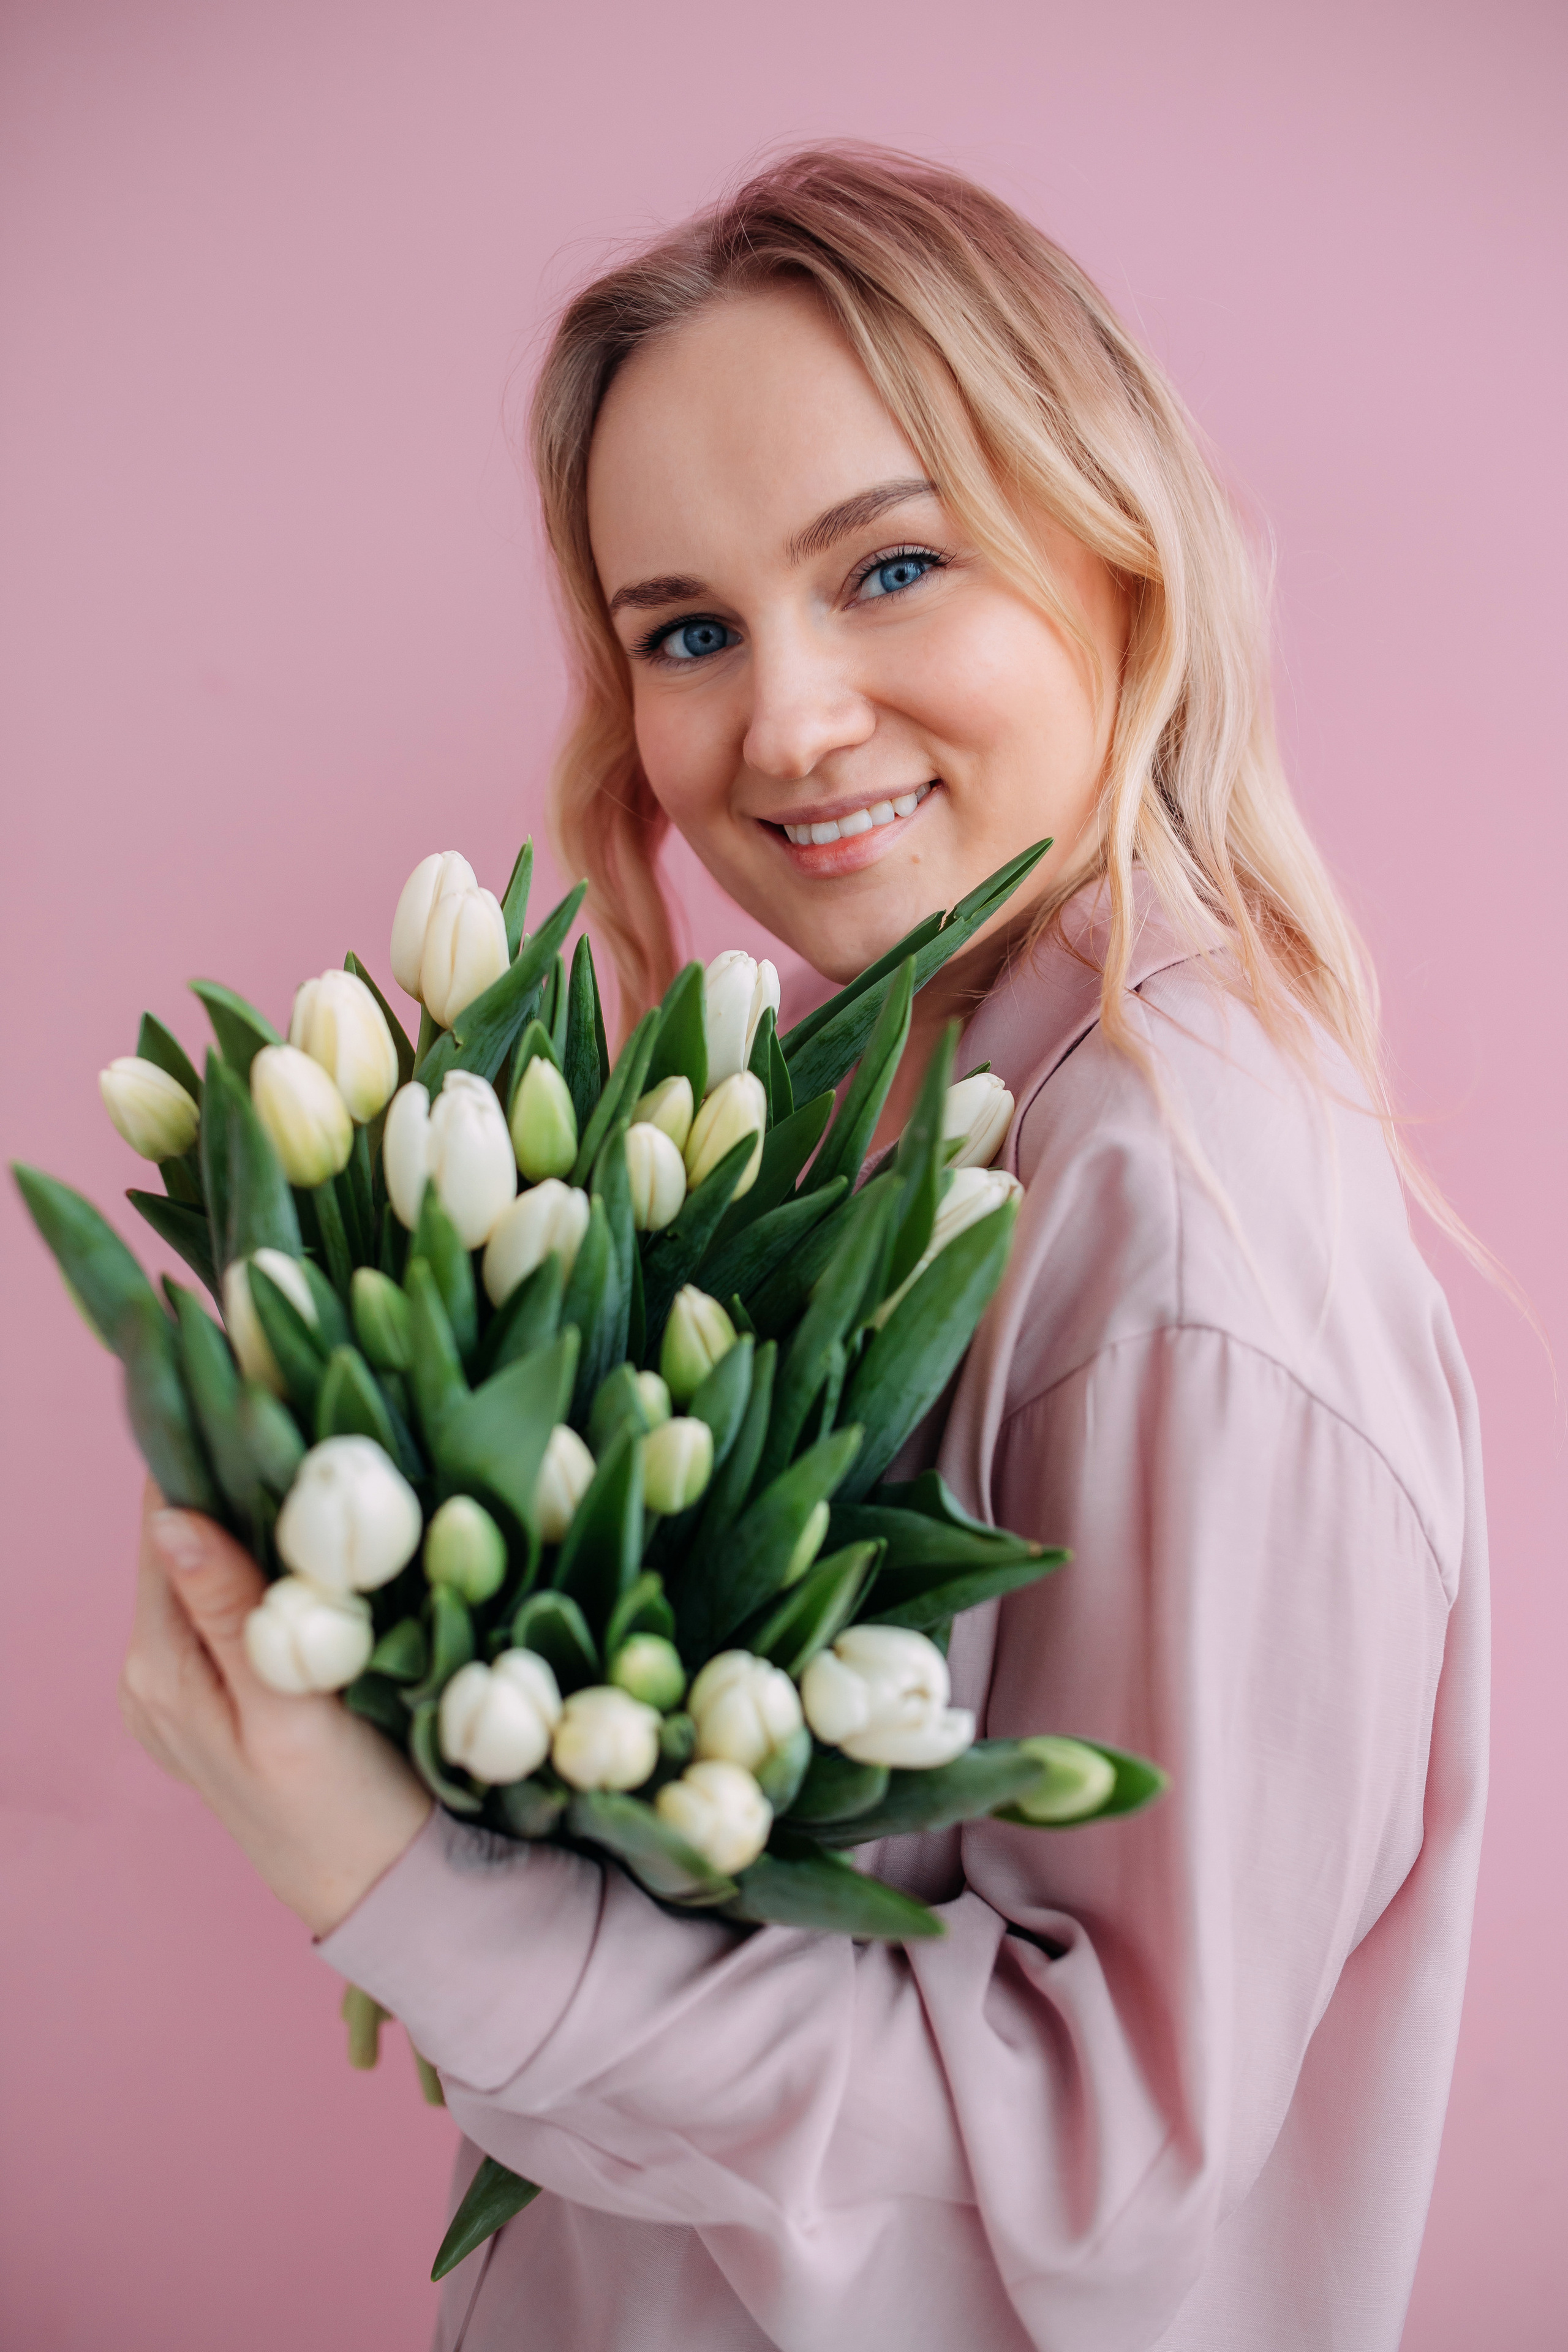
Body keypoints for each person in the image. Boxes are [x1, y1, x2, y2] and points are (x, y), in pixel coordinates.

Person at [121, 148, 1487, 2351]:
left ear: (1118, 556)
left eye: (893, 568)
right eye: (687, 631)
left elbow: (1110, 2144)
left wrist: (403, 1886)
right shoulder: (904, 1113)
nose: (785, 724)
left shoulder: (1181, 1218)